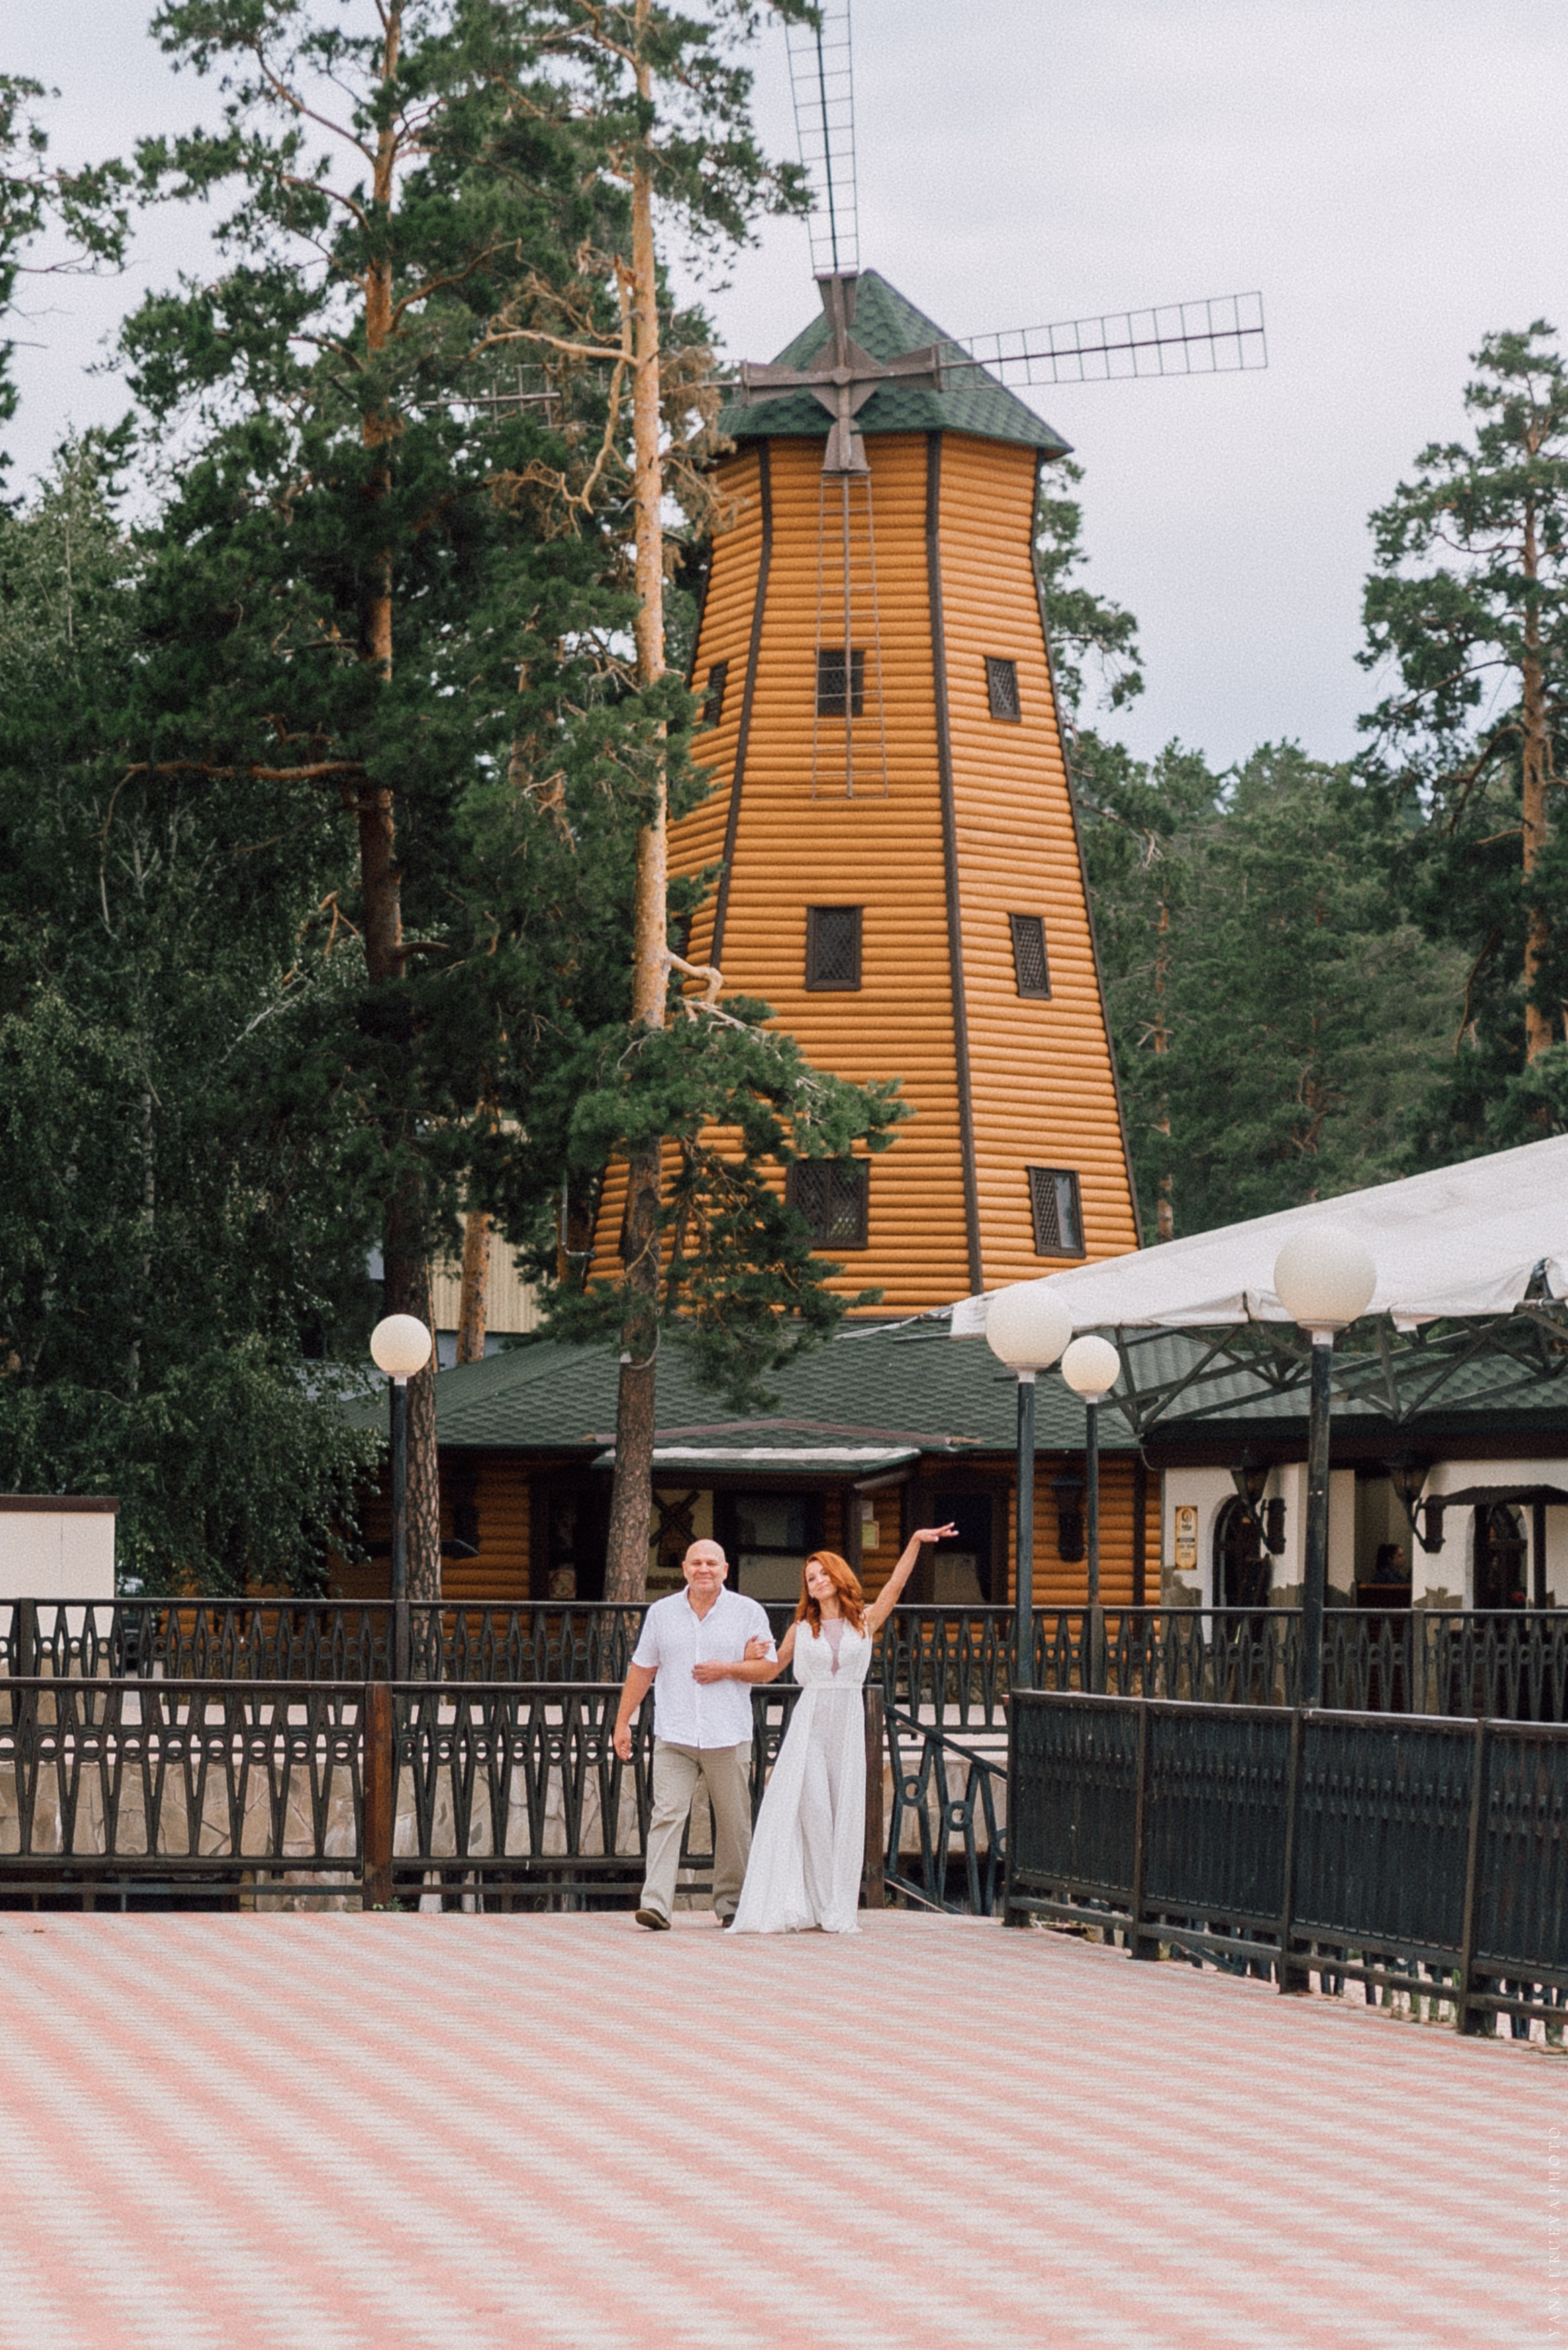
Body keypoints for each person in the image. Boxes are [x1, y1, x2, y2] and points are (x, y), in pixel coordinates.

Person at [728, 1522, 956, 1936]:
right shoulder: (800, 1628)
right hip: (811, 1723)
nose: (816, 1582)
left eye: (822, 1574)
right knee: (814, 1810)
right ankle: (813, 1901)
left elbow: (894, 1586)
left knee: (846, 1810)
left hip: (849, 1722)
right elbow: (771, 1668)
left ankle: (836, 1906)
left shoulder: (864, 1622)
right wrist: (736, 1663)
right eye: (810, 1578)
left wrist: (915, 1543)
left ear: (838, 1577)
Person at [611, 1538, 777, 1932]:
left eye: (712, 1563)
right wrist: (623, 1721)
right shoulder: (662, 1612)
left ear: (725, 1570)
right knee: (666, 1815)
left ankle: (732, 1904)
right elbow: (642, 1669)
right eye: (696, 1562)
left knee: (734, 1822)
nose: (704, 1569)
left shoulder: (747, 1612)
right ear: (684, 1569)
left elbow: (769, 1669)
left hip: (728, 1734)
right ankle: (656, 1905)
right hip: (675, 1733)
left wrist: (728, 1668)